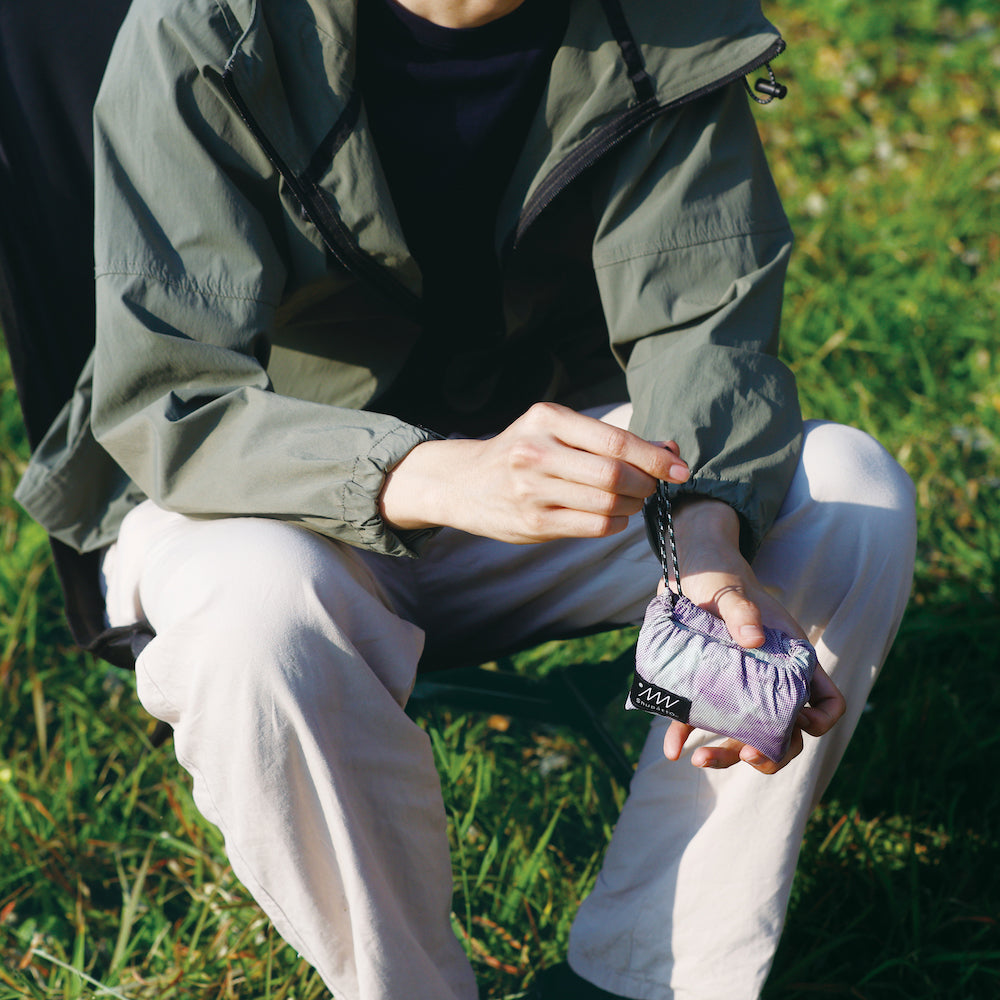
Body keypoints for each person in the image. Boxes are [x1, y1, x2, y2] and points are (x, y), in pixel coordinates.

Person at [13, 0, 917, 997]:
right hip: (259, 498)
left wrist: (706, 541)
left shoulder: (662, 17)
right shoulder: (211, 28)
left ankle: (640, 976)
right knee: (257, 613)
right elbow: (171, 399)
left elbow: (702, 322)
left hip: (535, 473)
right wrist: (437, 473)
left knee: (847, 493)